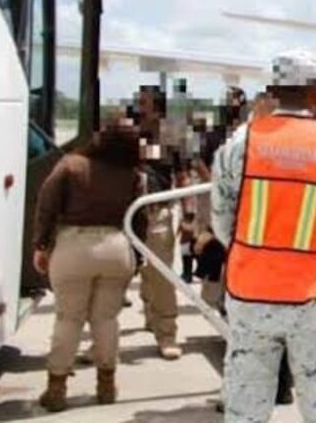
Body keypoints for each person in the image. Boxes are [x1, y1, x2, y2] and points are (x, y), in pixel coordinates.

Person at [211, 51, 316, 422]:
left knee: (246, 405)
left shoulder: (238, 144)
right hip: (314, 298)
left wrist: (255, 253)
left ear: (273, 92)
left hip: (250, 293)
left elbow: (222, 221)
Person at [32, 118, 148, 412]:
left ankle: (56, 389)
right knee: (106, 319)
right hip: (116, 247)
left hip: (73, 247)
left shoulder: (71, 165)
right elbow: (140, 218)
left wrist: (41, 245)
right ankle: (106, 386)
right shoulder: (133, 175)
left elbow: (47, 204)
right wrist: (139, 256)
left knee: (68, 319)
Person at [134, 85, 182, 360]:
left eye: (146, 103)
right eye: (140, 102)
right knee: (118, 280)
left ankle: (167, 334)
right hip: (128, 216)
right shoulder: (126, 135)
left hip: (157, 215)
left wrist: (188, 219)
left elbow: (185, 176)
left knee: (161, 275)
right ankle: (101, 341)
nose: (141, 108)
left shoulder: (171, 137)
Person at [178, 210, 198, 283]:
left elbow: (191, 228)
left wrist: (182, 224)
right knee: (184, 259)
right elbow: (180, 229)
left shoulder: (194, 219)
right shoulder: (183, 218)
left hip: (189, 242)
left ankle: (188, 276)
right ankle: (185, 273)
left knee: (188, 260)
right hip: (183, 242)